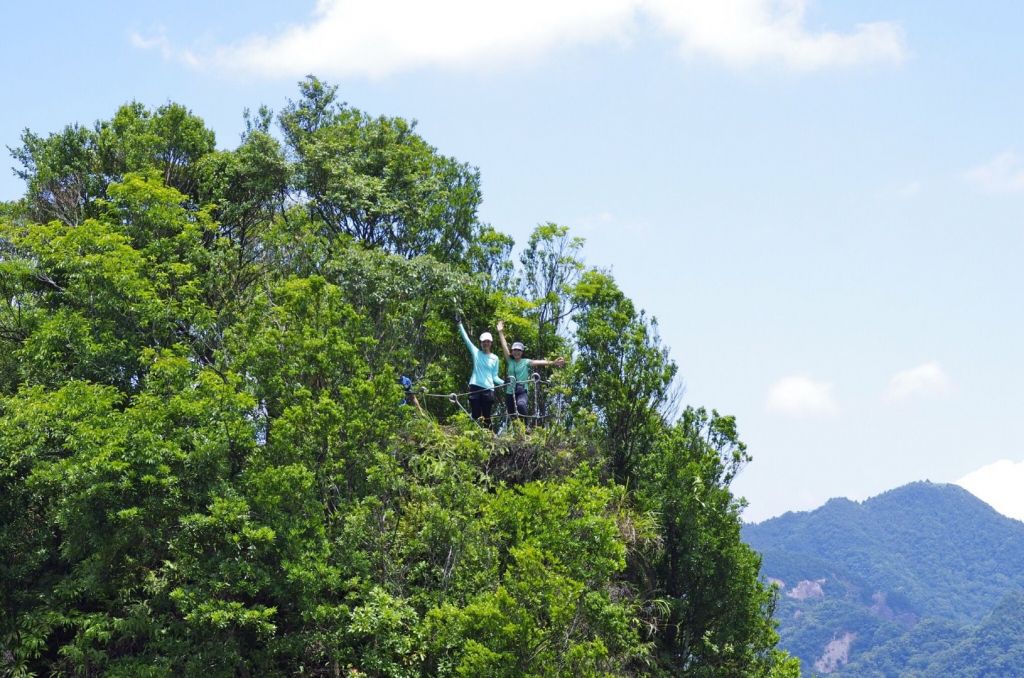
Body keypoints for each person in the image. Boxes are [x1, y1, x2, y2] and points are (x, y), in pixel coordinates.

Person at [495, 320, 566, 420]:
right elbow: (504, 345)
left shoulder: (525, 361)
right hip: (510, 391)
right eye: (514, 350)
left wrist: (553, 363)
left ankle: (526, 425)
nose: (516, 352)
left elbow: (539, 362)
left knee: (521, 405)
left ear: (522, 352)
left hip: (522, 389)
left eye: (519, 350)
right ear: (512, 351)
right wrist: (500, 332)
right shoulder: (510, 361)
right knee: (512, 414)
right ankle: (518, 432)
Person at [457, 316, 504, 426]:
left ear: (491, 343)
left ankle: (488, 439)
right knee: (475, 414)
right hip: (475, 386)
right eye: (483, 342)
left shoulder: (495, 358)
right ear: (481, 343)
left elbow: (494, 377)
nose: (485, 344)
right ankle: (474, 437)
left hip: (488, 389)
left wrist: (504, 382)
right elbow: (466, 339)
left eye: (487, 342)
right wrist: (459, 324)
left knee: (487, 416)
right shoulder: (476, 353)